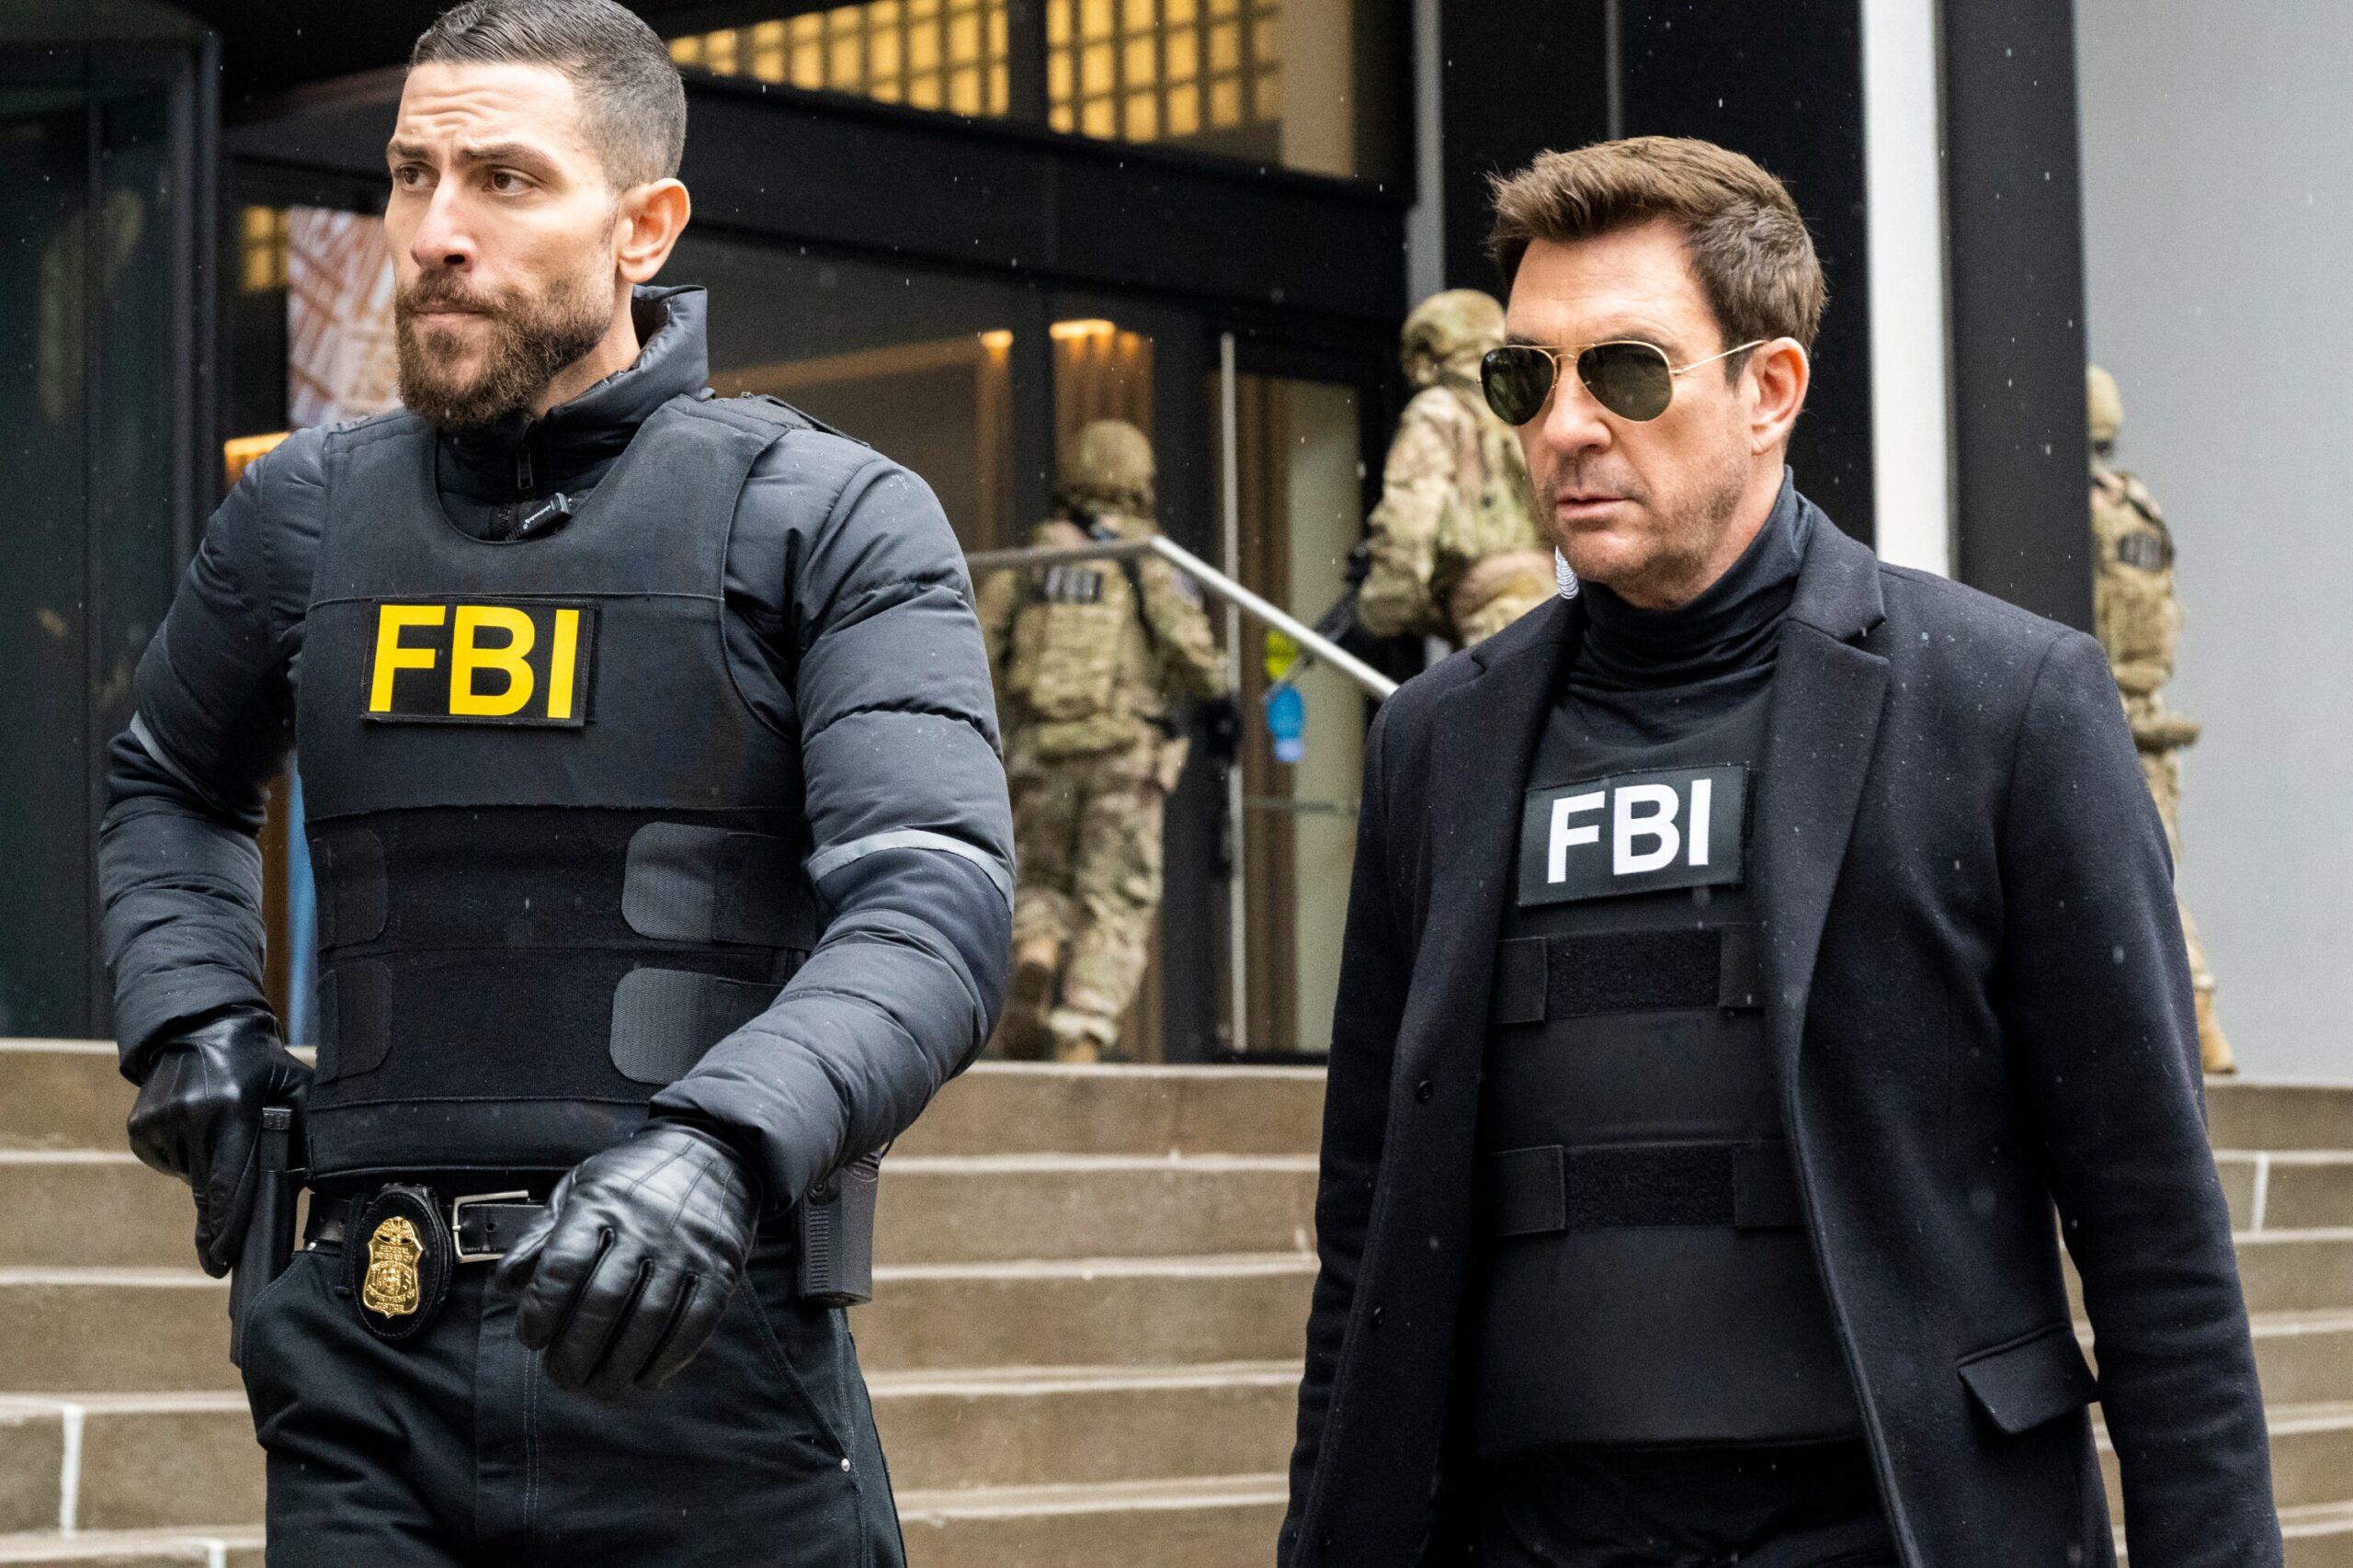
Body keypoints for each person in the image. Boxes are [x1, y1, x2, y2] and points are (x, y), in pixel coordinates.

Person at [1280, 137, 2277, 1568]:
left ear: (1771, 389)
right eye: (1525, 377)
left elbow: (2157, 1238)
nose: (1566, 426)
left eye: (1626, 372)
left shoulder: (2004, 709)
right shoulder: (1439, 745)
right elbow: (1367, 1242)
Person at [97, 3, 1012, 1562]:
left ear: (644, 227)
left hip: (701, 1361)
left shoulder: (825, 515)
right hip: (364, 1353)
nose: (434, 232)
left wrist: (723, 1145)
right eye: (411, 175)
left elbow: (936, 901)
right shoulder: (302, 516)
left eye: (505, 180)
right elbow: (168, 781)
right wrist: (192, 1018)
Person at [977, 418, 1228, 1062]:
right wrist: (1212, 689)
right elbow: (1192, 652)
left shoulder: (1034, 560)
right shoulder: (1149, 558)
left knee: (1040, 876)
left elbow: (976, 647)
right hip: (1123, 754)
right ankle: (1082, 1034)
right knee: (1113, 897)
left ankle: (1037, 952)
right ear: (1140, 478)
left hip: (1042, 751)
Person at [2088, 365, 2234, 1074]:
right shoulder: (2136, 506)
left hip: (2107, 711)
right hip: (2137, 711)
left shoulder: (2086, 513)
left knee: (2134, 877)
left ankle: (2196, 1021)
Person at [1357, 289, 1552, 649]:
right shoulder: (1526, 408)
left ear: (1430, 351)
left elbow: (1408, 528)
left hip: (1495, 619)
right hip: (1558, 603)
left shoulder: (1438, 412)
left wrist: (1378, 613)